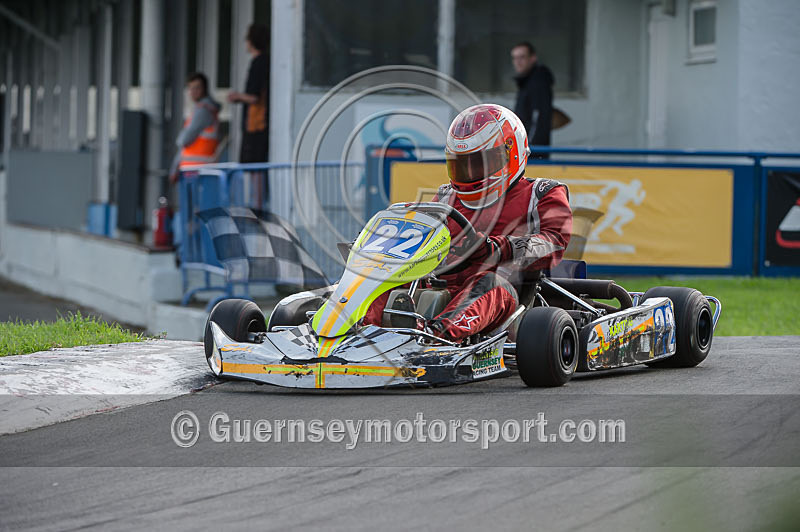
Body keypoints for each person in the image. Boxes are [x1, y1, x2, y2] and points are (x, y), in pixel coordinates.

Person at [364, 103, 573, 341]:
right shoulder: (446, 197)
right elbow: (420, 236)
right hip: (441, 285)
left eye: (481, 162)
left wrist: (496, 248)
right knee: (385, 281)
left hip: (503, 292)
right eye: (463, 164)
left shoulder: (541, 192)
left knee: (488, 282)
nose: (471, 172)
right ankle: (357, 332)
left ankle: (434, 338)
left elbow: (554, 242)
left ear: (510, 152)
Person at [227, 23, 269, 164]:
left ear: (252, 41)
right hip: (258, 124)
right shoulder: (266, 61)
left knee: (254, 168)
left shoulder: (258, 63)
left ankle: (257, 188)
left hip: (256, 124)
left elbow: (253, 97)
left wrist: (237, 96)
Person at [169, 72, 221, 182]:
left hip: (197, 171)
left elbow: (183, 140)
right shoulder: (204, 109)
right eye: (190, 88)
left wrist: (174, 169)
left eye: (197, 88)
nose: (193, 92)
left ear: (205, 89)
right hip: (197, 170)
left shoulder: (203, 110)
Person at [511, 42, 554, 160]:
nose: (518, 62)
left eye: (522, 57)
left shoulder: (538, 82)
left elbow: (539, 119)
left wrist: (529, 150)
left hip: (532, 155)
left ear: (532, 58)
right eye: (515, 58)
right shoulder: (526, 82)